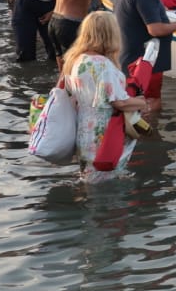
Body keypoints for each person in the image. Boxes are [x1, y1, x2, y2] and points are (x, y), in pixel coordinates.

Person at [59, 11, 153, 178]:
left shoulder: (75, 60)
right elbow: (119, 103)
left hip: (83, 131)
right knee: (110, 180)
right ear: (111, 35)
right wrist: (142, 103)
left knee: (89, 178)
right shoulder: (104, 66)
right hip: (105, 133)